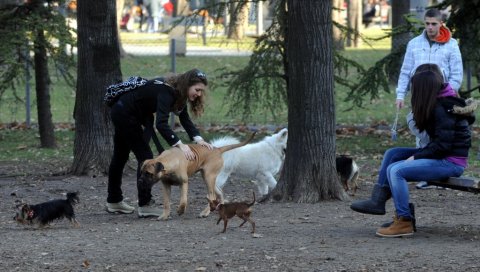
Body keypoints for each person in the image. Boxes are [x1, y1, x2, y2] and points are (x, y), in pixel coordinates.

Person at [351, 63, 475, 237]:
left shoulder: (443, 108)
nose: (412, 92)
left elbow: (443, 146)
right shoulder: (440, 102)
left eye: (414, 89)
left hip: (451, 162)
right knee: (393, 154)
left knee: (396, 170)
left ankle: (404, 221)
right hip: (442, 156)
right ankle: (378, 201)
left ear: (423, 90)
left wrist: (417, 157)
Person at [106, 69, 214, 217]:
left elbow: (185, 119)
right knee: (146, 157)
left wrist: (199, 140)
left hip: (123, 111)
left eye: (201, 91)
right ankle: (145, 204)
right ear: (187, 85)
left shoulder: (177, 93)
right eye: (197, 90)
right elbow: (161, 124)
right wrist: (180, 145)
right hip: (125, 114)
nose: (199, 94)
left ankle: (114, 201)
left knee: (120, 157)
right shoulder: (167, 92)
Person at [395, 8, 463, 189]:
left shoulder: (452, 44)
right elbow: (405, 70)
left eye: (434, 24)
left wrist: (448, 93)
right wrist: (400, 94)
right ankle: (423, 171)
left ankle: (437, 170)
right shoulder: (414, 44)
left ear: (441, 23)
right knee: (421, 131)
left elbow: (456, 74)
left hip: (441, 98)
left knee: (438, 131)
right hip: (419, 96)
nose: (430, 27)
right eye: (427, 23)